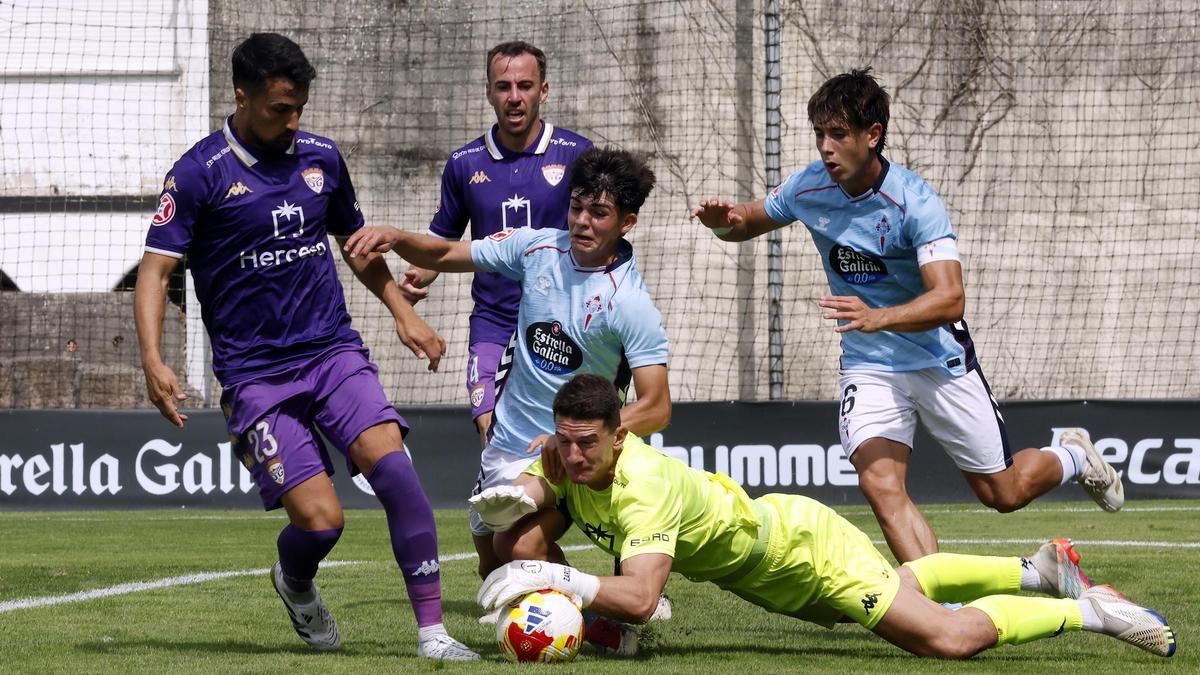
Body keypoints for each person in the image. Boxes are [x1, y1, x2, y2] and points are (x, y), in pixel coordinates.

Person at [133, 33, 476, 660]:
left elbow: (357, 245)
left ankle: (432, 634)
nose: (293, 122)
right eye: (279, 109)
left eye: (300, 109)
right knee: (322, 522)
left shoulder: (320, 158)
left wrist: (402, 312)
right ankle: (294, 580)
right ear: (242, 95)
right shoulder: (198, 173)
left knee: (396, 472)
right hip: (255, 375)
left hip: (331, 352)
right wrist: (155, 360)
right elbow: (156, 270)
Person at [689, 68, 1123, 563]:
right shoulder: (808, 188)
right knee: (880, 484)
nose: (826, 148)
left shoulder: (916, 202)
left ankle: (1070, 455)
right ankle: (944, 613)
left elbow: (949, 299)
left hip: (938, 359)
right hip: (868, 364)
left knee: (1003, 493)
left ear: (872, 136)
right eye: (819, 135)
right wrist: (725, 224)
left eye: (838, 134)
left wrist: (880, 316)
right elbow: (749, 219)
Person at [473, 374, 1176, 660]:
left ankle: (1095, 611)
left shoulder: (643, 486)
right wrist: (519, 502)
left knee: (945, 637)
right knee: (905, 584)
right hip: (771, 570)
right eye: (563, 438)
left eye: (586, 441)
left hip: (805, 553)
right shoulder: (565, 458)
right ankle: (1034, 568)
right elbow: (532, 510)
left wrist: (553, 579)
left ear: (619, 434)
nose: (573, 452)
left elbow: (645, 595)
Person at [344, 145, 672, 646]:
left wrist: (575, 440)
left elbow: (656, 405)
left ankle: (605, 620)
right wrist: (396, 238)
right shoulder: (537, 247)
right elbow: (446, 253)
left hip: (573, 455)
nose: (582, 221)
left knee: (519, 548)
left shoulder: (630, 302)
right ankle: (600, 624)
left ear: (626, 222)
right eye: (577, 206)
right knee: (489, 563)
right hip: (508, 442)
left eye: (599, 213)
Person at [401, 40, 591, 448]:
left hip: (558, 320)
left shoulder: (577, 154)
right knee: (491, 430)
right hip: (493, 320)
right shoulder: (464, 163)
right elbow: (443, 241)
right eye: (503, 86)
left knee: (564, 438)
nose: (514, 97)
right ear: (489, 92)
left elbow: (598, 232)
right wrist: (419, 276)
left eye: (525, 85)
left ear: (543, 91)